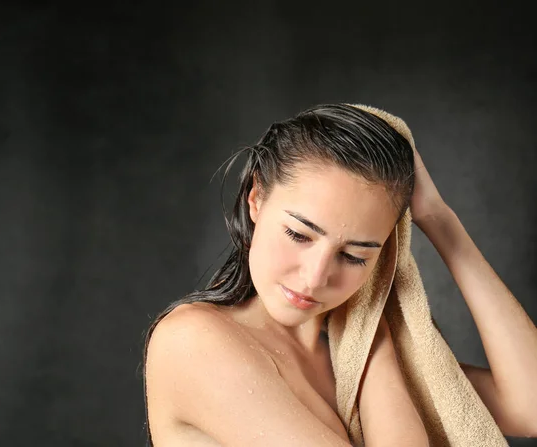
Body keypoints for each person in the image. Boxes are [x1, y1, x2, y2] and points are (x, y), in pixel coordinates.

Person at [141, 104, 537, 446]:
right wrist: (379, 346)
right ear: (257, 199)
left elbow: (530, 407)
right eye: (299, 234)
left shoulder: (352, 347)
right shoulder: (193, 341)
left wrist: (440, 221)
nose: (315, 278)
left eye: (354, 256)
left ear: (383, 257)